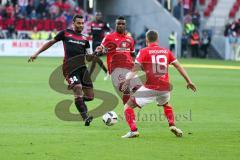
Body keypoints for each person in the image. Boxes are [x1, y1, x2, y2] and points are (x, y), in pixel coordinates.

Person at [120, 30, 196, 138]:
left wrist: (127, 81)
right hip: (165, 87)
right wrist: (189, 81)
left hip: (150, 88)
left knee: (128, 106)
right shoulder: (166, 51)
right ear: (158, 40)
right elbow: (178, 66)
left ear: (147, 40)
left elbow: (135, 69)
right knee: (166, 104)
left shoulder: (143, 51)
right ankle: (172, 125)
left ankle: (133, 130)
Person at [28, 15, 95, 126]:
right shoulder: (65, 33)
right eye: (79, 23)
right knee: (78, 87)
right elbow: (51, 42)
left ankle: (79, 100)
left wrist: (97, 52)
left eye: (83, 23)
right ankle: (85, 117)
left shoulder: (85, 39)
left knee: (90, 97)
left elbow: (89, 57)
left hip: (82, 69)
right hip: (70, 68)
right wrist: (37, 53)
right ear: (73, 23)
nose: (81, 25)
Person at [96, 16, 142, 105]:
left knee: (138, 88)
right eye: (119, 24)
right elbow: (101, 48)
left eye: (122, 24)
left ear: (125, 25)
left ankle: (128, 108)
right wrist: (99, 50)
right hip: (116, 69)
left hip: (129, 68)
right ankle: (128, 110)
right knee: (125, 89)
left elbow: (132, 54)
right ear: (115, 25)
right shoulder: (109, 37)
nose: (120, 25)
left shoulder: (130, 39)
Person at [88, 12, 110, 79]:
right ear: (95, 16)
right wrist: (89, 33)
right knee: (96, 58)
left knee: (95, 57)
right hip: (94, 42)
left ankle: (89, 75)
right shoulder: (92, 23)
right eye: (97, 15)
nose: (98, 16)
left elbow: (108, 30)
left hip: (101, 43)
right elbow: (91, 32)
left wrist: (106, 38)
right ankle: (107, 72)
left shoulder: (104, 23)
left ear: (101, 16)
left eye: (99, 15)